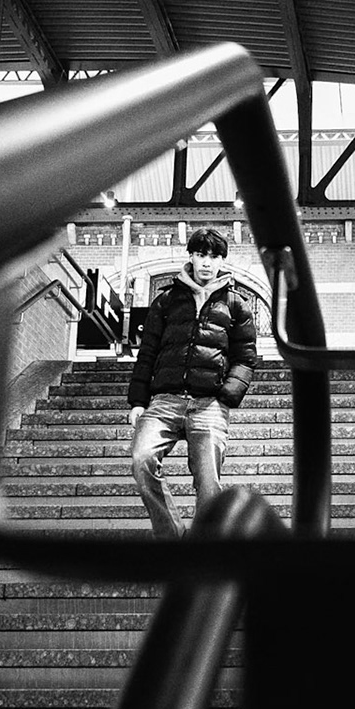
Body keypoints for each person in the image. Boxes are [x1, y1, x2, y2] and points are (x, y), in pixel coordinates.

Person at [126, 227, 259, 537]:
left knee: (209, 483)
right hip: (165, 401)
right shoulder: (167, 300)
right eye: (201, 255)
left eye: (213, 257)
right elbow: (148, 352)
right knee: (142, 459)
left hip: (209, 404)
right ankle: (171, 536)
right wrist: (138, 401)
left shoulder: (236, 304)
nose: (206, 263)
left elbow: (245, 357)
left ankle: (204, 545)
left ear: (222, 261)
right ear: (191, 257)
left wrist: (227, 395)